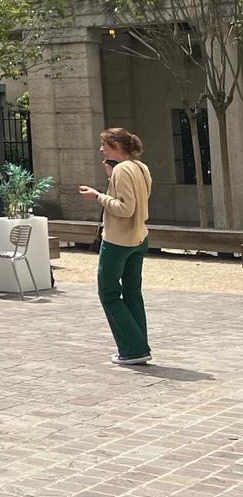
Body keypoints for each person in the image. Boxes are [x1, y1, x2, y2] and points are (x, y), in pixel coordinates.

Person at [81, 127, 153, 366]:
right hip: (140, 238)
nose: (101, 149)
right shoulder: (140, 167)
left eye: (104, 145)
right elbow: (139, 199)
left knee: (108, 293)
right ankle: (138, 347)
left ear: (115, 146)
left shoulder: (122, 169)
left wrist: (98, 196)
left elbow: (125, 208)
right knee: (132, 293)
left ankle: (133, 349)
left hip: (118, 241)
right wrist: (112, 181)